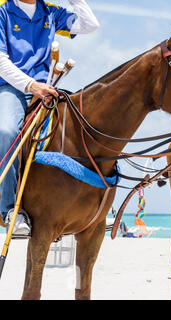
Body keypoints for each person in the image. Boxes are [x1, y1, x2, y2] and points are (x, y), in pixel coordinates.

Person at [0, 0, 99, 237]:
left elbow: (90, 25)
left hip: (47, 90)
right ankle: (8, 210)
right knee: (6, 131)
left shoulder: (51, 12)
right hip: (12, 88)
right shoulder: (3, 10)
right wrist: (30, 85)